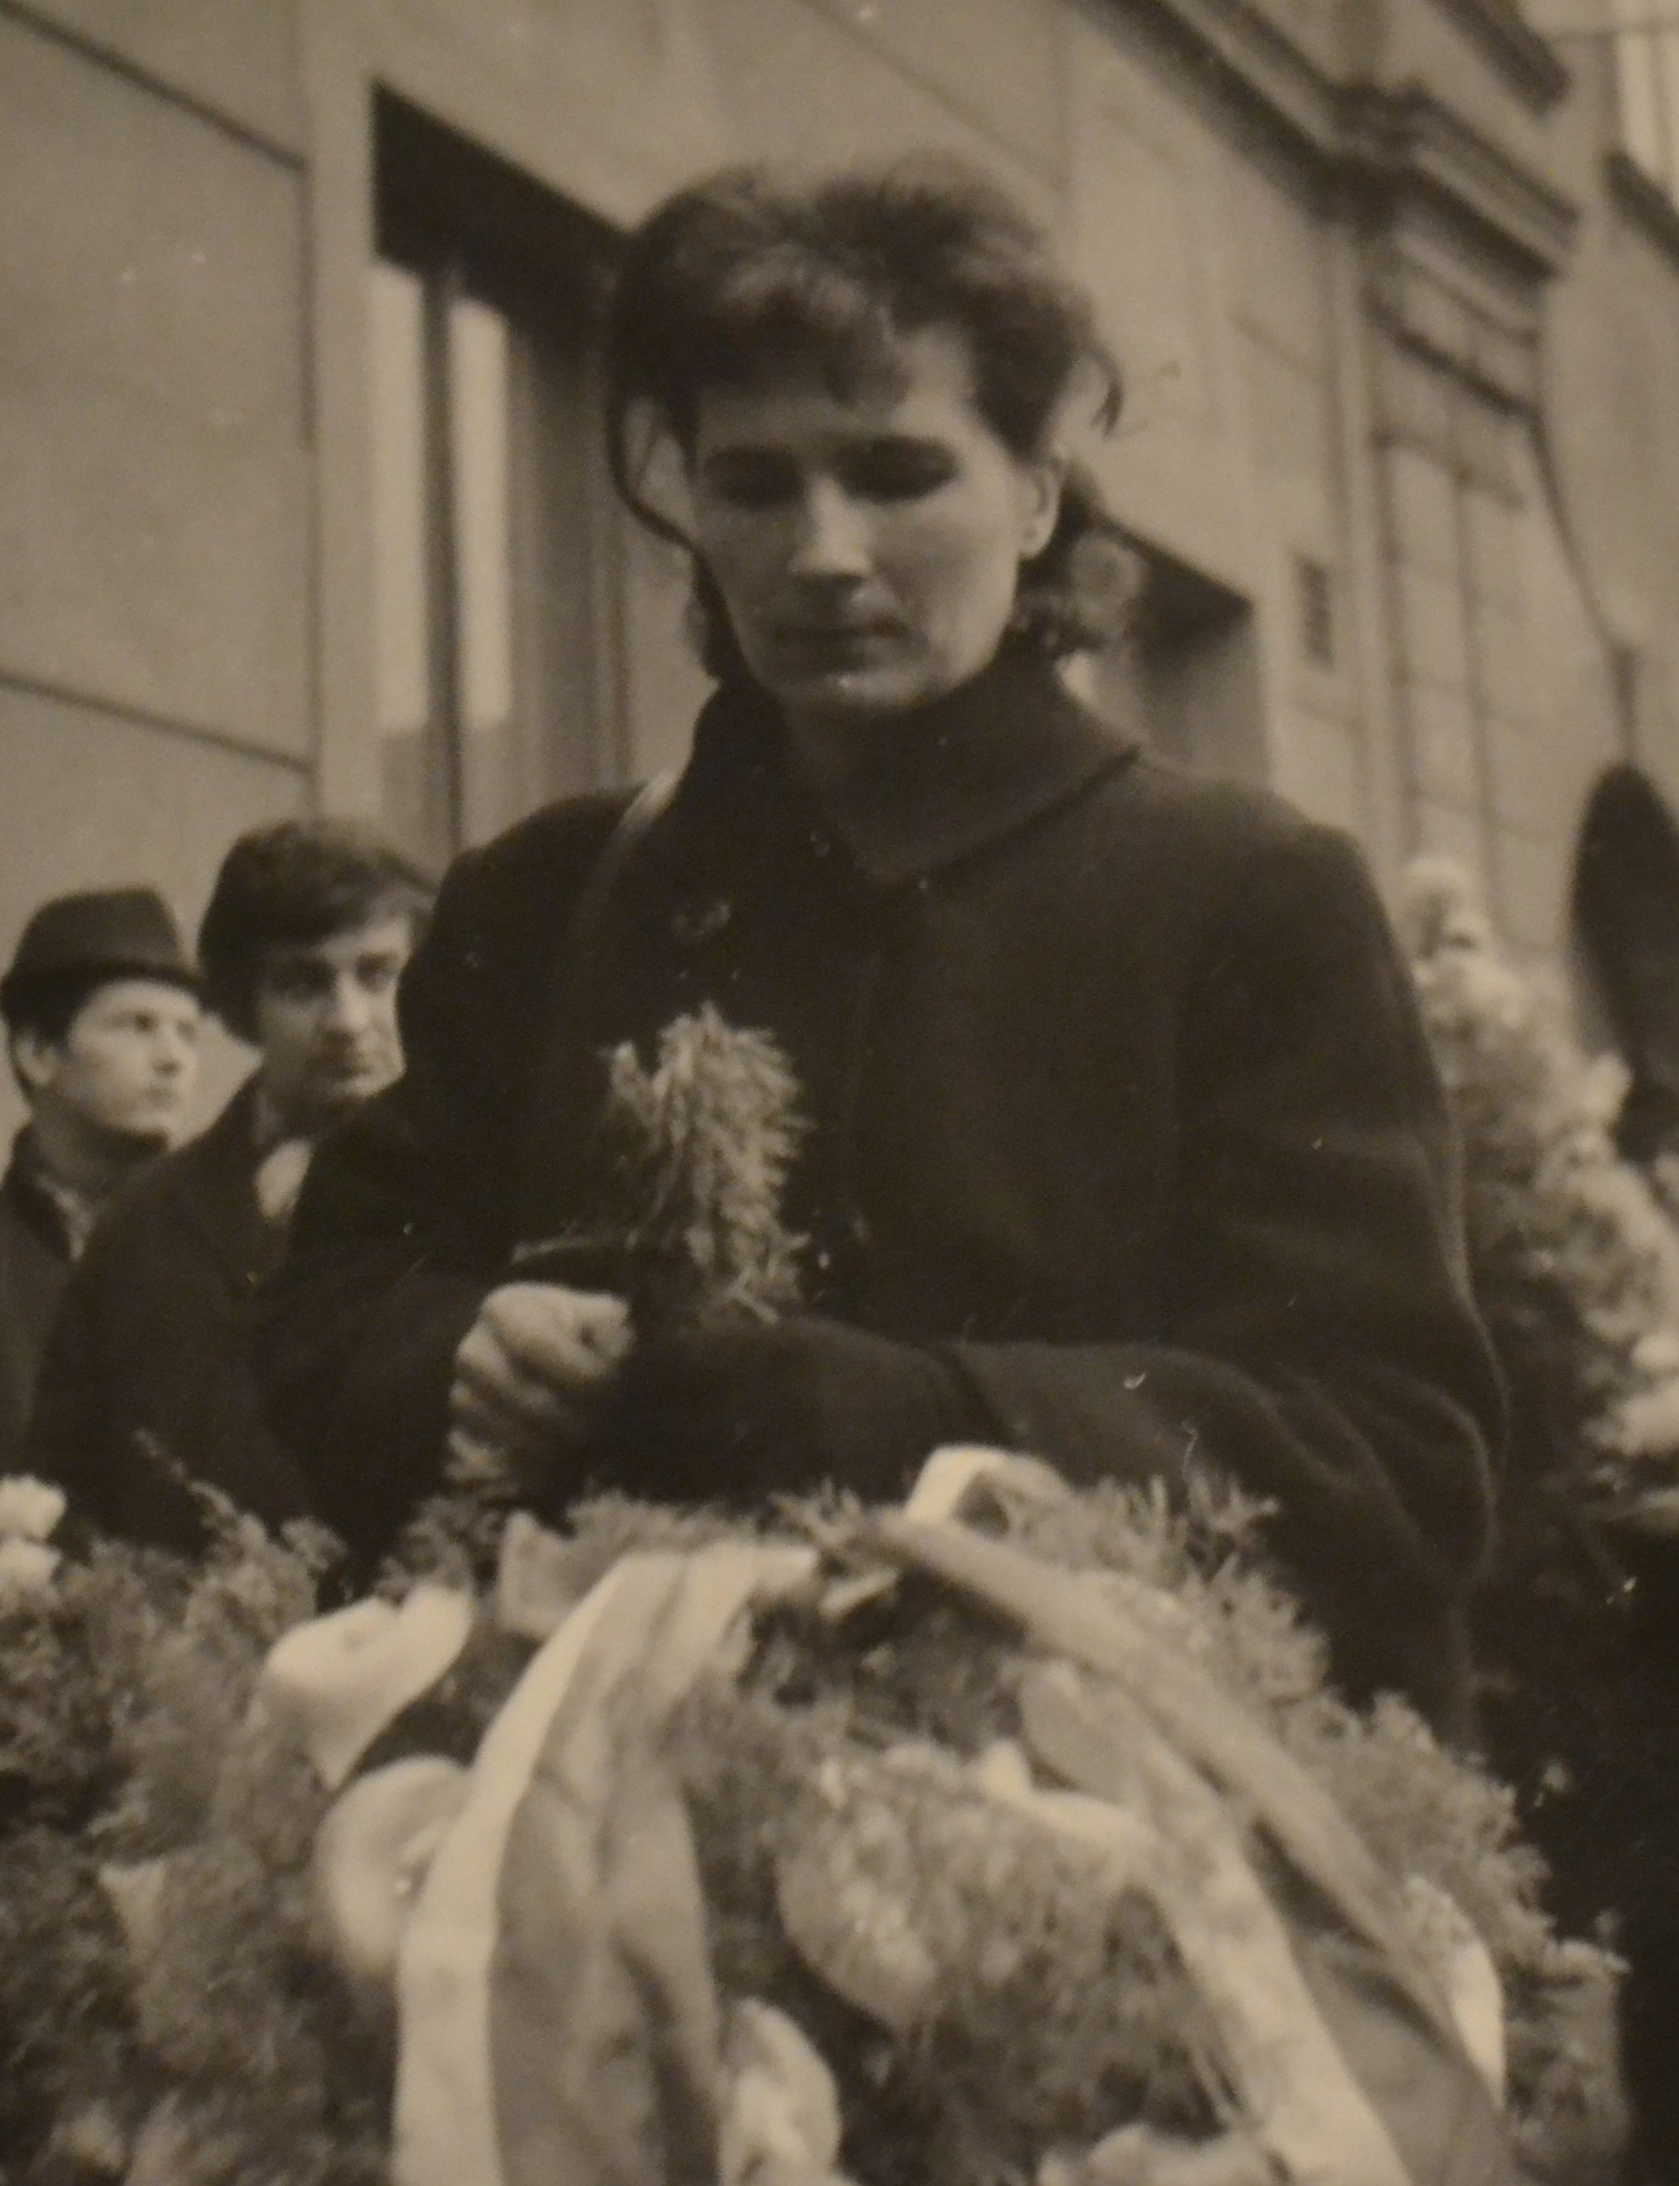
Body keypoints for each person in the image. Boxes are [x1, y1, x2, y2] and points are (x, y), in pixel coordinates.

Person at [265, 162, 1503, 1739]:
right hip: (608, 1813)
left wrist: (937, 1420)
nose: (823, 553)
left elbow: (1390, 1453)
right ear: (688, 503)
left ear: (1037, 498)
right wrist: (460, 1351)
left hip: (1094, 1832)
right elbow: (327, 1305)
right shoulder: (549, 897)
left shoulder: (1243, 897)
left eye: (898, 474)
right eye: (752, 483)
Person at [26, 822, 432, 1552]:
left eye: (377, 975)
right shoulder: (141, 1227)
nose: (348, 1021)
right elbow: (62, 1497)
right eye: (303, 984)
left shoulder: (487, 1199)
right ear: (244, 1002)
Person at [0, 888, 201, 1568]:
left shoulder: (240, 1249)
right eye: (136, 1025)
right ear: (39, 1052)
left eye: (187, 1032)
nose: (173, 1057)